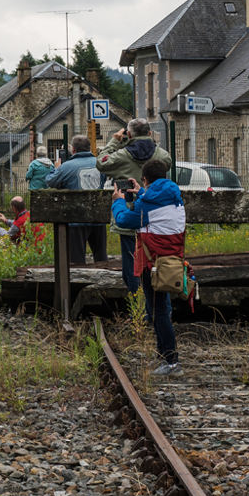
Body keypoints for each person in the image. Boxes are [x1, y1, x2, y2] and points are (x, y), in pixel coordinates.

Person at [111, 158, 183, 376]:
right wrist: (142, 191)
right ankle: (165, 357)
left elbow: (124, 220)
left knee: (158, 312)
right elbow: (155, 210)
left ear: (145, 178)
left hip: (153, 264)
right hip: (170, 261)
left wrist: (118, 201)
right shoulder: (174, 196)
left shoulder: (147, 206)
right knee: (159, 310)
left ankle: (171, 361)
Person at [96, 118, 172, 295]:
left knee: (131, 263)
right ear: (150, 133)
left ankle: (137, 301)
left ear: (128, 134)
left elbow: (101, 162)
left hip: (129, 214)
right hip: (154, 216)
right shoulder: (160, 156)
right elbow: (166, 159)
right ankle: (153, 301)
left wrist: (116, 141)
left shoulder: (122, 155)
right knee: (153, 260)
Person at [45, 134, 108, 265]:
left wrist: (56, 168)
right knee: (101, 257)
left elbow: (50, 182)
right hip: (98, 217)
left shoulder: (66, 166)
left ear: (73, 150)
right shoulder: (99, 164)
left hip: (76, 218)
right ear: (89, 148)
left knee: (76, 261)